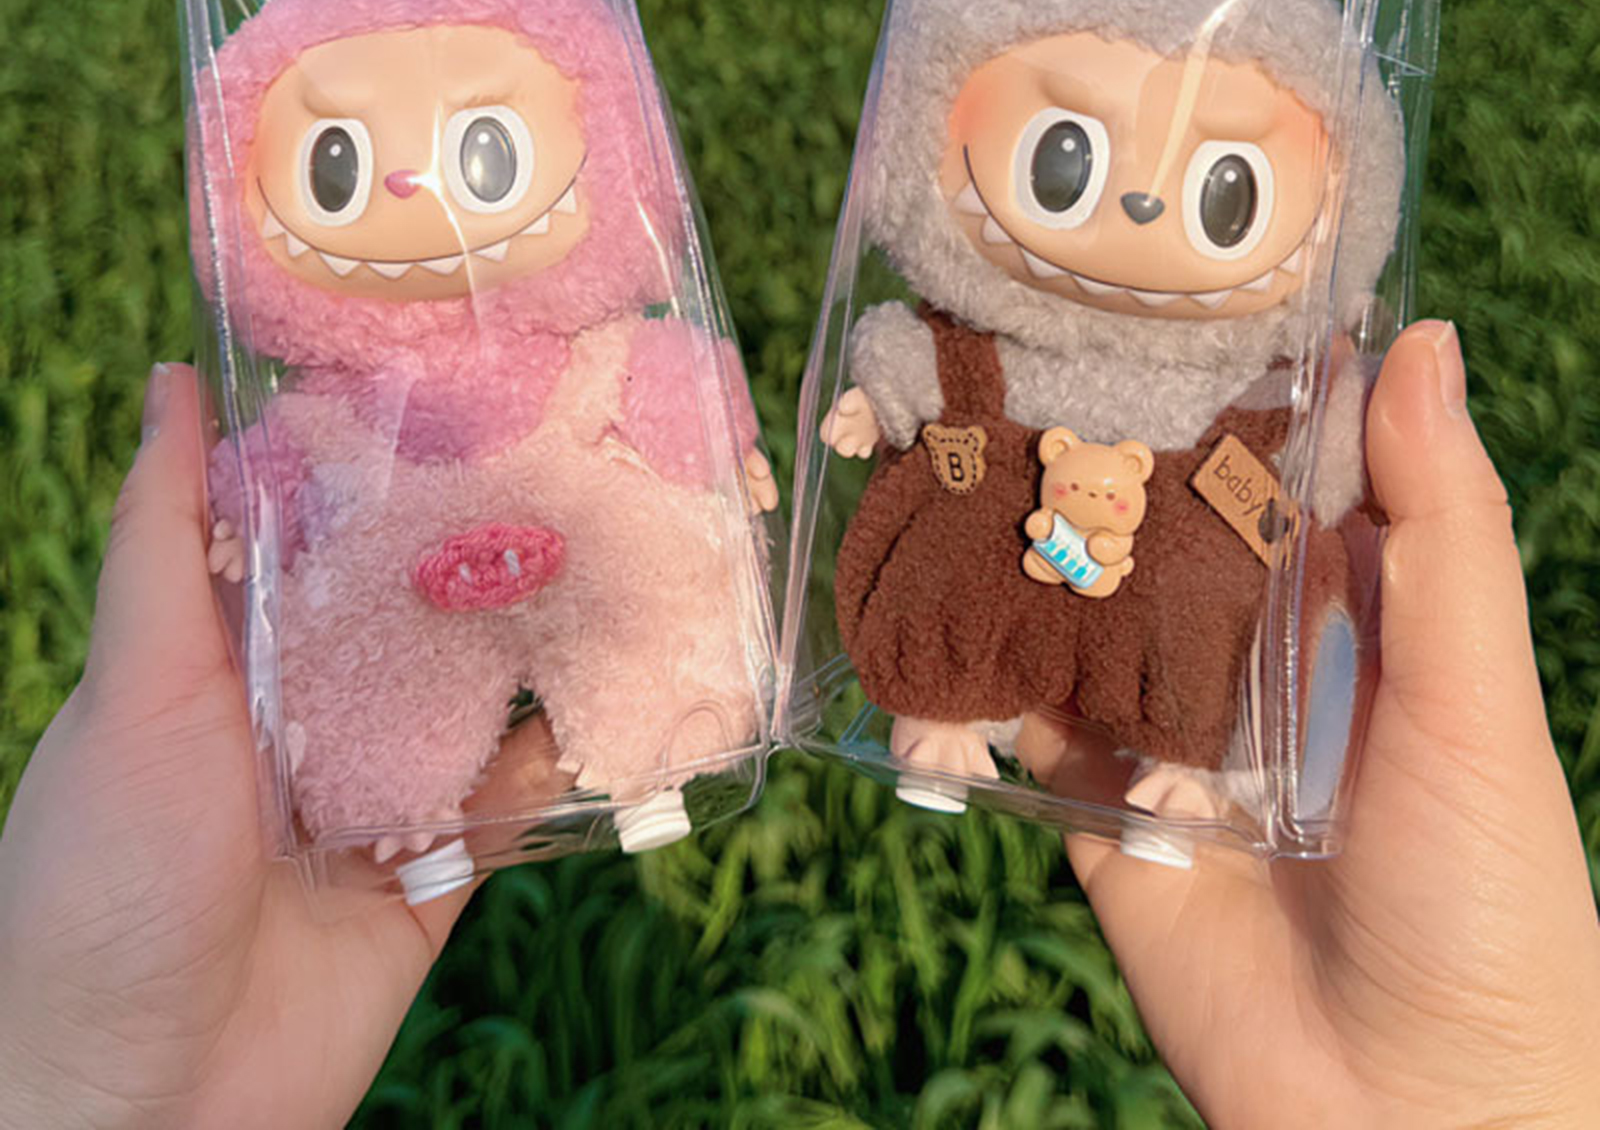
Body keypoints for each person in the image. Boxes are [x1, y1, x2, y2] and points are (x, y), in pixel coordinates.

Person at [1, 324, 1596, 1128]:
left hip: (1155, 574)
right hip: (415, 565)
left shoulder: (1233, 379)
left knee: (1179, 625)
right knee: (417, 688)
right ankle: (843, 719)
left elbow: (665, 369)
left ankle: (712, 724)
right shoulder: (349, 385)